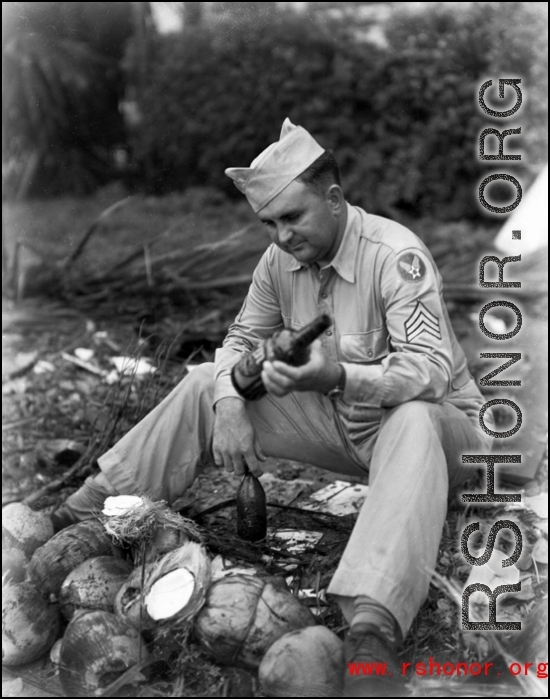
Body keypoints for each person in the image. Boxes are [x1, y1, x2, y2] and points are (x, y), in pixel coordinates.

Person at [53, 118, 492, 696]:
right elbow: (238, 343)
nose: (282, 236)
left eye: (292, 218)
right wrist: (232, 403)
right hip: (349, 430)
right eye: (269, 223)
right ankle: (83, 518)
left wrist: (335, 373)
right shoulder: (278, 262)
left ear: (334, 200)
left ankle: (370, 630)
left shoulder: (396, 255)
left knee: (412, 417)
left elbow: (429, 373)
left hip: (448, 437)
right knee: (209, 381)